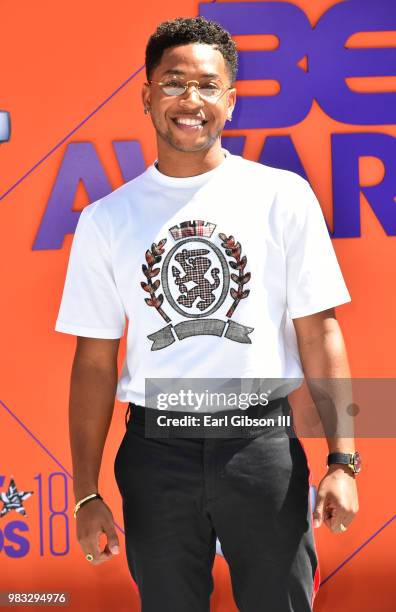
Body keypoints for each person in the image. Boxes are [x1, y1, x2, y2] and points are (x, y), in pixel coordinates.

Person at [55, 16, 360, 612]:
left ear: (230, 101)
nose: (189, 100)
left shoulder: (283, 195)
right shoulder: (105, 220)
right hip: (155, 453)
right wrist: (86, 493)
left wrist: (343, 461)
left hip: (262, 447)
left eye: (207, 85)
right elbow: (93, 363)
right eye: (172, 83)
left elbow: (322, 334)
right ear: (146, 97)